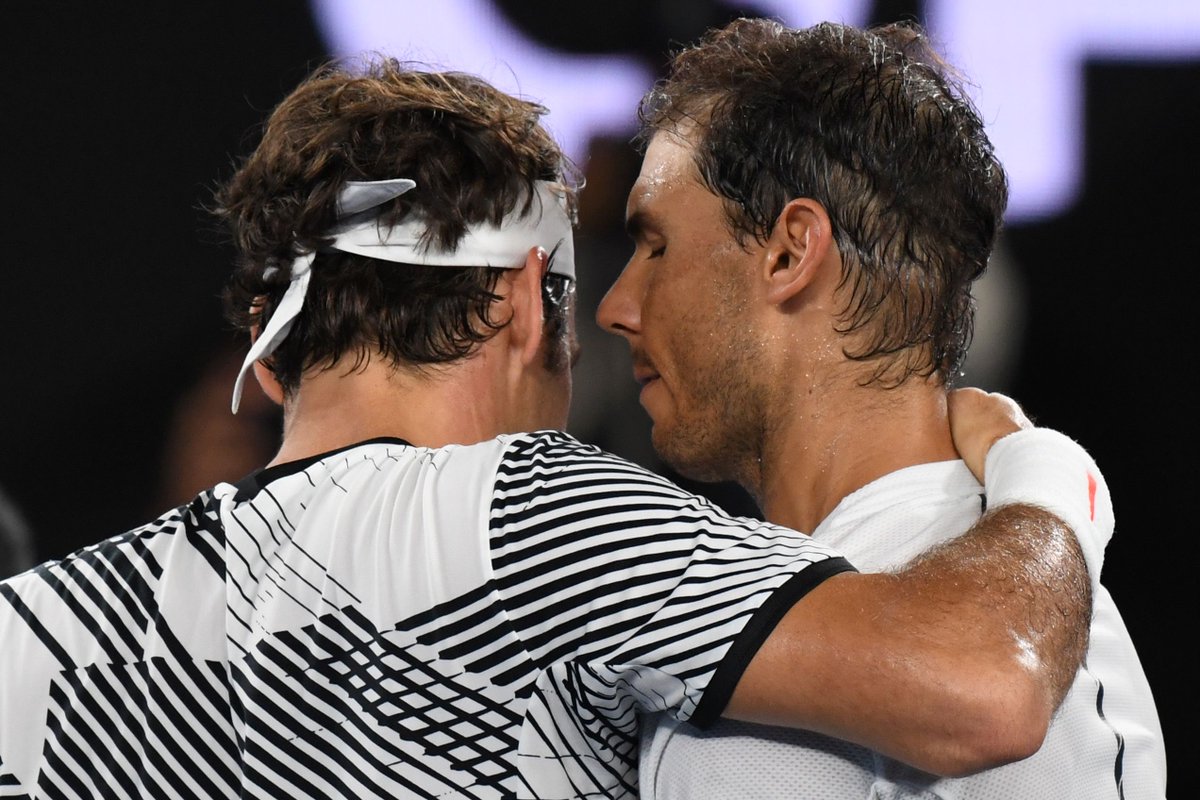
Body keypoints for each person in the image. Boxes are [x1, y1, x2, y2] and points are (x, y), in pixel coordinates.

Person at [0, 58, 1100, 800]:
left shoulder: (26, 625)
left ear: (277, 343)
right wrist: (1044, 469)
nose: (617, 320)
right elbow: (986, 683)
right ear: (524, 303)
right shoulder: (531, 519)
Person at [595, 18, 1167, 799]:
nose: (617, 306)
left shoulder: (1032, 623)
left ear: (791, 252)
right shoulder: (733, 605)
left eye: (656, 245)